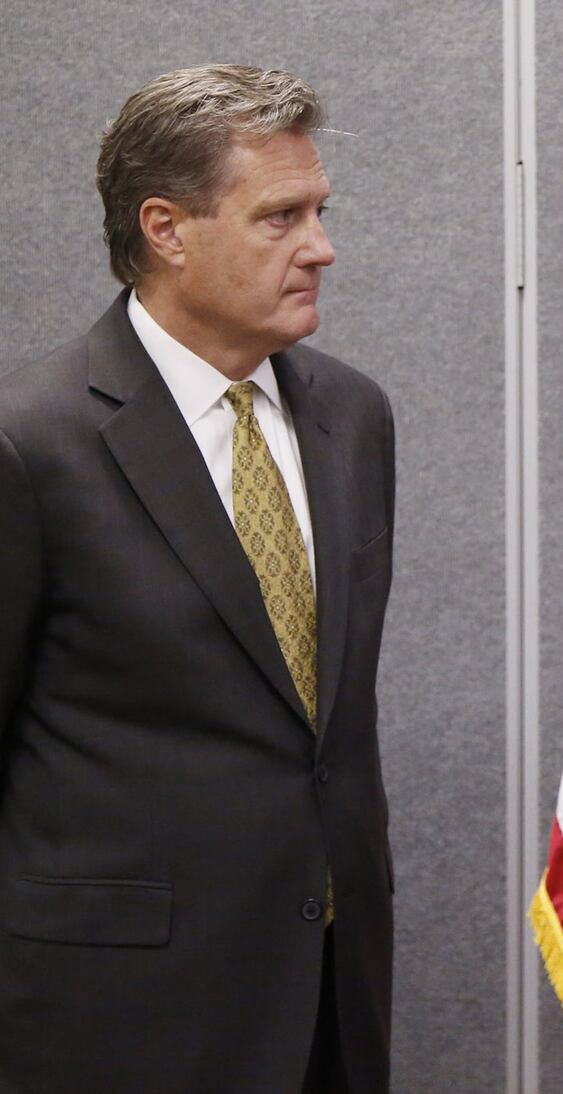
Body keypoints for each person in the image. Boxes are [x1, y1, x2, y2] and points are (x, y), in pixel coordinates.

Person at [0, 65, 395, 1092]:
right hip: (109, 1020)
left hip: (324, 1003)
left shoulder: (353, 418)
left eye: (319, 210)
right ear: (167, 229)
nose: (322, 245)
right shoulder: (29, 441)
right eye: (281, 217)